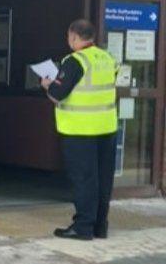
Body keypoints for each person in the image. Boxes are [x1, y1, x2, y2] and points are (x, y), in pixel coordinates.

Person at [41, 19, 118, 241]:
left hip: (80, 130)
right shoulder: (107, 58)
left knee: (84, 179)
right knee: (103, 179)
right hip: (107, 128)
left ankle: (83, 226)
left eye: (69, 37)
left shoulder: (75, 61)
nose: (68, 41)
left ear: (74, 37)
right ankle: (100, 226)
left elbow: (57, 94)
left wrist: (48, 85)